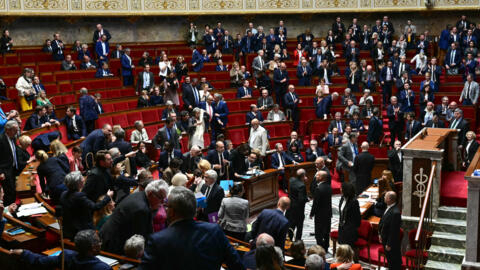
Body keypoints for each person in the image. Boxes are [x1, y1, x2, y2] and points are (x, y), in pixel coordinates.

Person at [139, 187, 244, 269]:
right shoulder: (214, 231)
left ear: (172, 212)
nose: (165, 209)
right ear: (195, 210)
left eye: (167, 206)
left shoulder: (157, 240)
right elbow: (236, 265)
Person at [100, 180, 168, 254]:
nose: (162, 202)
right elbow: (140, 239)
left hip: (110, 237)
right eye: (161, 198)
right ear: (150, 193)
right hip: (113, 244)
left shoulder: (140, 195)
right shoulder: (141, 209)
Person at [11, 230, 111, 269]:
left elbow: (41, 261)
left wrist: (24, 253)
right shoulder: (103, 268)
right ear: (93, 247)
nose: (101, 243)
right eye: (99, 242)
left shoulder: (67, 256)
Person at [60, 171, 113, 239]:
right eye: (82, 179)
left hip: (69, 228)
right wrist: (108, 197)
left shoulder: (63, 194)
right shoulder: (79, 196)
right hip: (81, 230)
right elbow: (95, 207)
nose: (84, 179)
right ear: (78, 183)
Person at [379, 191, 402, 270]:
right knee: (389, 261)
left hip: (391, 243)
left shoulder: (396, 212)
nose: (384, 197)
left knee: (393, 262)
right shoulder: (389, 207)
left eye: (385, 196)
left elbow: (394, 231)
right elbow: (382, 222)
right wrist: (380, 234)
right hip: (385, 238)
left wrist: (389, 244)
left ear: (389, 199)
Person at [310, 171, 332, 252]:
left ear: (322, 178)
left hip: (320, 214)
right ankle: (326, 247)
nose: (316, 176)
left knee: (318, 233)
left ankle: (319, 249)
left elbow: (316, 203)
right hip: (328, 213)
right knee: (326, 231)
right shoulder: (329, 186)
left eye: (318, 175)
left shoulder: (319, 189)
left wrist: (312, 213)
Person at [285, 169, 308, 241]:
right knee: (299, 227)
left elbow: (292, 178)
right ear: (303, 176)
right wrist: (307, 199)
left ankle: (289, 240)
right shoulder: (302, 186)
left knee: (291, 226)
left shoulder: (291, 180)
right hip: (298, 210)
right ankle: (298, 241)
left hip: (290, 207)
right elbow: (301, 199)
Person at [0, 121, 19, 205]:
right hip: (5, 170)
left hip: (13, 168)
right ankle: (8, 213)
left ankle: (12, 208)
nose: (16, 132)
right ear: (7, 130)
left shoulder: (13, 137)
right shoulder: (1, 139)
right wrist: (0, 172)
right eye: (15, 130)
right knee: (9, 192)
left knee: (13, 190)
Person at [338, 182, 361, 247]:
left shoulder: (354, 202)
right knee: (342, 247)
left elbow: (357, 218)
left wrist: (351, 228)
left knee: (348, 249)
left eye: (341, 188)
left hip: (350, 230)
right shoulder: (342, 198)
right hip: (342, 228)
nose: (340, 189)